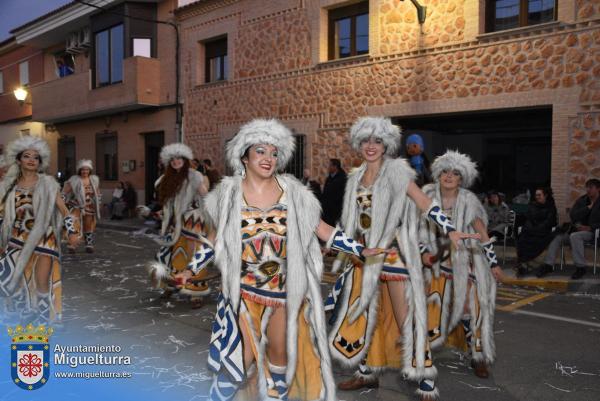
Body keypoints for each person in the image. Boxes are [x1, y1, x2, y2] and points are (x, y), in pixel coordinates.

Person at [178, 119, 382, 401]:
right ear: (244, 157)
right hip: (243, 293)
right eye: (260, 151)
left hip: (282, 292)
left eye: (274, 153)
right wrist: (191, 268)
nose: (268, 158)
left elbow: (322, 229)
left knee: (280, 356)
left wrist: (357, 249)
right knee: (239, 360)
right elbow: (214, 239)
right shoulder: (228, 194)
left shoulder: (294, 192)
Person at [326, 118, 479, 401]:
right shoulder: (356, 176)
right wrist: (343, 242)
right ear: (359, 144)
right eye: (366, 141)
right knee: (366, 317)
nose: (371, 146)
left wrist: (451, 229)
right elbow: (355, 218)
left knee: (404, 318)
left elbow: (424, 202)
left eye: (377, 141)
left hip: (394, 255)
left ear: (386, 145)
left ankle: (426, 378)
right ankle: (367, 371)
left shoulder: (397, 172)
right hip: (365, 258)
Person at [420, 150, 503, 380]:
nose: (449, 176)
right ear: (438, 174)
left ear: (461, 179)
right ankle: (422, 356)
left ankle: (477, 356)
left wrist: (493, 263)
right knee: (428, 308)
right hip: (432, 262)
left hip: (464, 261)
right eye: (445, 171)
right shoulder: (426, 196)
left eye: (455, 173)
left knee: (470, 309)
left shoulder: (469, 200)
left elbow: (483, 234)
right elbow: (413, 228)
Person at [0, 136, 78, 325]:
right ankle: (25, 309)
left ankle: (44, 317)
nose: (31, 160)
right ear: (18, 160)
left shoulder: (48, 184)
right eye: (27, 156)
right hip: (17, 238)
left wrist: (72, 231)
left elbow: (65, 210)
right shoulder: (8, 186)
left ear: (40, 162)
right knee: (10, 278)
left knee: (42, 281)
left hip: (45, 238)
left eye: (36, 158)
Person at [147, 143, 211, 309]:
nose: (176, 162)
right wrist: (160, 212)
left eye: (179, 158)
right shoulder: (166, 179)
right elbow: (166, 202)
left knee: (193, 255)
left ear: (185, 160)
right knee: (167, 255)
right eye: (173, 159)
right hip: (173, 223)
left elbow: (206, 197)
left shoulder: (194, 176)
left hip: (192, 221)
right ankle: (171, 285)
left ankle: (195, 293)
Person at [536, 179, 600, 279]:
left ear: (598, 189)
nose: (588, 190)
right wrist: (587, 208)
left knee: (575, 236)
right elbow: (573, 215)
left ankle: (580, 267)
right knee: (556, 236)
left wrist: (590, 227)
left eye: (591, 188)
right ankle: (548, 265)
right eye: (587, 187)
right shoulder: (582, 200)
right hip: (576, 230)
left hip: (593, 232)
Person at [514, 187, 557, 277]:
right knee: (522, 239)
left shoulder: (551, 207)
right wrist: (531, 228)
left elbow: (549, 222)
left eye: (539, 195)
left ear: (545, 195)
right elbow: (528, 219)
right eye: (536, 195)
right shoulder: (533, 205)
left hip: (543, 231)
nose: (537, 197)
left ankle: (531, 264)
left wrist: (537, 229)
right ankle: (523, 265)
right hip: (531, 230)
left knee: (539, 241)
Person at [62, 159, 101, 253]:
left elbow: (98, 193)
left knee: (88, 226)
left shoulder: (94, 180)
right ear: (79, 170)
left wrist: (98, 203)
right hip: (76, 206)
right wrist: (61, 201)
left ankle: (89, 245)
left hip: (89, 206)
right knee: (74, 225)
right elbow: (64, 192)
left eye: (87, 170)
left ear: (90, 171)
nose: (85, 171)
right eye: (83, 169)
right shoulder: (74, 180)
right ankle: (72, 245)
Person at [321, 158, 347, 226]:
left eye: (330, 165)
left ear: (335, 167)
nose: (328, 167)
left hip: (336, 212)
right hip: (327, 211)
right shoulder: (329, 178)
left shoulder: (342, 179)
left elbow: (341, 195)